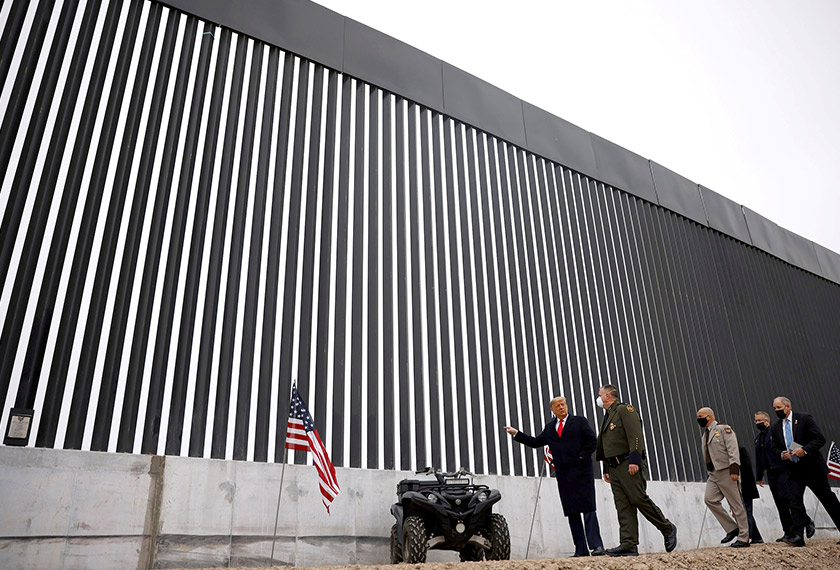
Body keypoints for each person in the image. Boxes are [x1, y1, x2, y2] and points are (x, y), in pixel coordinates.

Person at [504, 397, 605, 557]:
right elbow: (535, 442)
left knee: (588, 509)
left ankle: (597, 546)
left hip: (581, 473)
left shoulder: (579, 421)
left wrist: (582, 457)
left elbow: (592, 440)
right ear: (553, 410)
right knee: (572, 512)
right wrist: (517, 433)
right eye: (558, 406)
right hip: (564, 476)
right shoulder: (550, 428)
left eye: (563, 404)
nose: (561, 408)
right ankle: (581, 549)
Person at [595, 385, 677, 556]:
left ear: (608, 396)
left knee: (638, 498)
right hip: (614, 467)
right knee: (622, 506)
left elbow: (636, 436)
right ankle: (628, 544)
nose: (598, 398)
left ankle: (667, 528)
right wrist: (606, 467)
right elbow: (606, 444)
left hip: (628, 463)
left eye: (600, 395)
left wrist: (635, 460)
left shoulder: (625, 410)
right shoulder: (608, 415)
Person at [769, 396, 840, 546]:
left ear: (787, 407)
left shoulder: (804, 419)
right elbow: (774, 447)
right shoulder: (775, 427)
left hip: (812, 468)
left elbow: (820, 439)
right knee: (794, 501)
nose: (776, 411)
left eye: (779, 408)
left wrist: (804, 450)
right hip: (793, 470)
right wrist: (782, 454)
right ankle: (798, 537)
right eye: (775, 408)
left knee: (828, 499)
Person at [754, 410, 815, 542]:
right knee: (779, 503)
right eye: (756, 421)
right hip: (771, 473)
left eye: (760, 421)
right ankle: (788, 532)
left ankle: (806, 520)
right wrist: (759, 476)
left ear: (767, 421)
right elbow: (759, 459)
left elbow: (790, 443)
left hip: (783, 468)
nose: (758, 423)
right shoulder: (758, 439)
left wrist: (798, 457)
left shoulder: (775, 432)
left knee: (786, 498)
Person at [697, 407, 750, 548]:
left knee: (736, 505)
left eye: (701, 416)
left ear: (709, 417)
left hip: (727, 471)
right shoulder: (705, 435)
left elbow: (732, 448)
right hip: (714, 474)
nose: (699, 419)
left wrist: (734, 468)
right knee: (709, 499)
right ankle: (732, 528)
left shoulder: (723, 429)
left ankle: (744, 538)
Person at [738, 445, 763, 544]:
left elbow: (746, 467)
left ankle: (746, 537)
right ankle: (757, 537)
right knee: (747, 512)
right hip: (741, 487)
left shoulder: (740, 450)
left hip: (745, 487)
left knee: (746, 512)